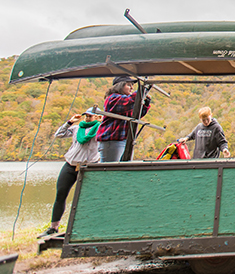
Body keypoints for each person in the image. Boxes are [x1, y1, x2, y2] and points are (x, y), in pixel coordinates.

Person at [38, 107, 101, 238]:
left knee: (85, 198)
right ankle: (53, 227)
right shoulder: (77, 128)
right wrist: (69, 122)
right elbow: (59, 134)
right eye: (86, 116)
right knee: (61, 194)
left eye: (91, 116)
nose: (87, 118)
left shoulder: (100, 129)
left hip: (87, 167)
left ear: (97, 117)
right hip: (70, 165)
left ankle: (85, 227)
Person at [96, 75, 151, 162]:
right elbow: (128, 102)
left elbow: (136, 114)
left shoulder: (124, 101)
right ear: (120, 86)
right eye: (129, 85)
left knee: (122, 169)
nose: (132, 88)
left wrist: (145, 104)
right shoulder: (113, 98)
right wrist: (143, 89)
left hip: (124, 139)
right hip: (113, 140)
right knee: (110, 170)